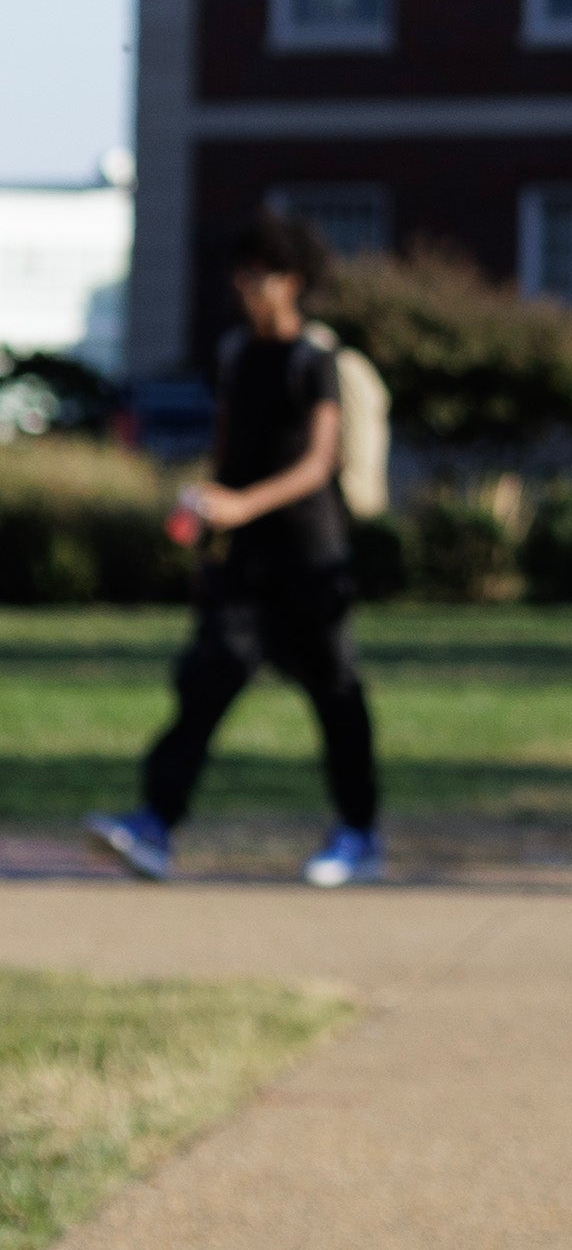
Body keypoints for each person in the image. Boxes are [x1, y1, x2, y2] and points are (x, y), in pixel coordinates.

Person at [90, 211, 383, 890]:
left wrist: (244, 504)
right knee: (204, 683)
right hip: (244, 559)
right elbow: (230, 451)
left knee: (337, 694)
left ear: (294, 281)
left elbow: (318, 463)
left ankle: (359, 831)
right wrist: (207, 507)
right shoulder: (235, 355)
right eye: (242, 272)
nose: (248, 285)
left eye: (263, 274)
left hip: (311, 555)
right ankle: (155, 824)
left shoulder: (317, 362)